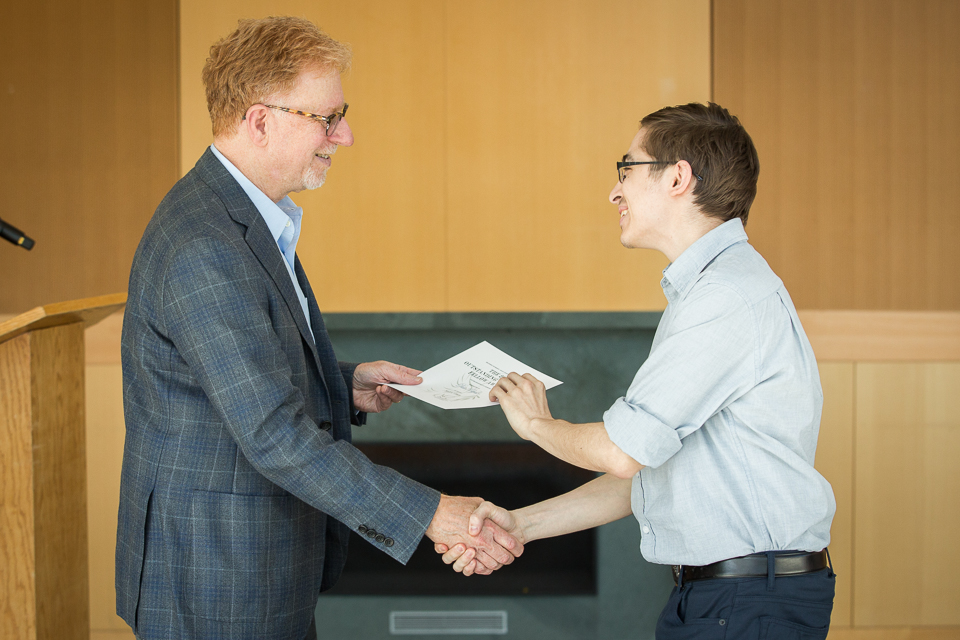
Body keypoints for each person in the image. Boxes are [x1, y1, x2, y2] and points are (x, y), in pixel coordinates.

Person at [116, 17, 520, 640]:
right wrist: (431, 513)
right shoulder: (205, 243)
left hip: (249, 564)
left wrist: (343, 380)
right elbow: (271, 432)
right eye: (328, 118)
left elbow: (232, 369)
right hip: (216, 576)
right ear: (260, 120)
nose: (346, 135)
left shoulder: (243, 216)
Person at [439, 103, 837, 638]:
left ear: (678, 177)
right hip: (724, 597)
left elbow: (624, 453)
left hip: (745, 601)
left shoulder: (724, 297)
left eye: (626, 169)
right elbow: (650, 471)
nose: (614, 191)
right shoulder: (708, 290)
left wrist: (536, 425)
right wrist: (522, 524)